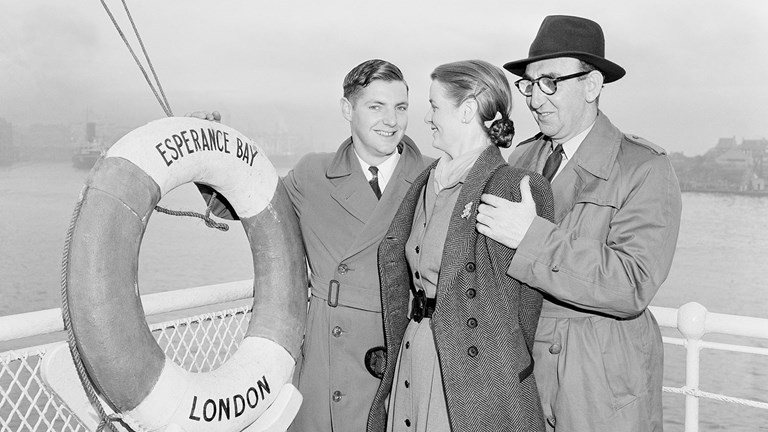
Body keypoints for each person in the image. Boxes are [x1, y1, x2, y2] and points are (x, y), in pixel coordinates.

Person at [196, 59, 429, 432]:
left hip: (400, 348)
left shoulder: (433, 178)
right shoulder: (312, 173)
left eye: (400, 108)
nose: (392, 120)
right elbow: (254, 207)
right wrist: (210, 157)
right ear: (346, 109)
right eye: (376, 107)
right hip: (326, 350)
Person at [476, 15, 683, 432]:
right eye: (530, 84)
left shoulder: (644, 169)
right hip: (524, 381)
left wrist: (532, 238)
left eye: (551, 81)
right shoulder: (521, 158)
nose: (535, 99)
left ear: (591, 86)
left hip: (599, 392)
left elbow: (632, 284)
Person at [368, 60, 554, 432]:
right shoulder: (426, 181)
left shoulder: (515, 187)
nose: (427, 117)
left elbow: (524, 308)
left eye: (435, 105)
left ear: (467, 109)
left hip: (470, 375)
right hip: (413, 354)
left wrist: (500, 374)